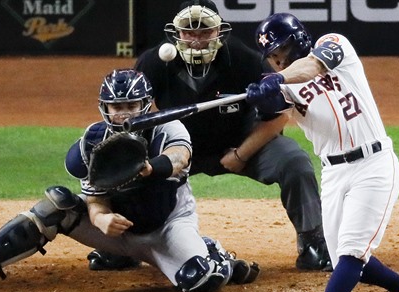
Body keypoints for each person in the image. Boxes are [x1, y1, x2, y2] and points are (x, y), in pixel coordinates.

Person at [0, 68, 260, 292]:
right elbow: (94, 198)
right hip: (117, 232)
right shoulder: (92, 142)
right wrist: (101, 218)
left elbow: (179, 157)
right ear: (105, 108)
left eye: (131, 106)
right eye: (116, 107)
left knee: (202, 281)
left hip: (167, 229)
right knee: (57, 205)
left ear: (146, 105)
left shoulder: (167, 128)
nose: (123, 114)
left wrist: (148, 168)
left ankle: (214, 255)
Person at [87, 0, 332, 273]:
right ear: (176, 33)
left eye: (204, 32)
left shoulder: (243, 59)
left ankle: (313, 242)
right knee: (130, 163)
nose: (196, 40)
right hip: (176, 150)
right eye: (189, 33)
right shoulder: (155, 62)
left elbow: (279, 115)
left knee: (293, 161)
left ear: (219, 32)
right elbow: (133, 116)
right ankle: (122, 245)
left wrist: (242, 154)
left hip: (237, 144)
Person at [245, 13, 399, 292]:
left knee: (353, 252)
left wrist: (277, 79)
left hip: (373, 163)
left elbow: (309, 68)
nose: (277, 60)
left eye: (281, 51)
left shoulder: (334, 45)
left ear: (298, 40)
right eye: (272, 57)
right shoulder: (285, 86)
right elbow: (272, 106)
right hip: (333, 173)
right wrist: (260, 96)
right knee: (342, 257)